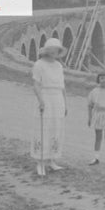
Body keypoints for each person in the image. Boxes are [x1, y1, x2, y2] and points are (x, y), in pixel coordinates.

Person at [31, 37, 68, 176]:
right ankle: (40, 163)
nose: (54, 52)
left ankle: (52, 161)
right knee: (43, 129)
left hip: (58, 98)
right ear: (47, 50)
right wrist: (41, 100)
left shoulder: (59, 66)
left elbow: (63, 86)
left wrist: (65, 103)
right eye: (51, 49)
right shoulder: (39, 64)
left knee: (56, 128)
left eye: (56, 50)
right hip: (45, 97)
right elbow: (36, 84)